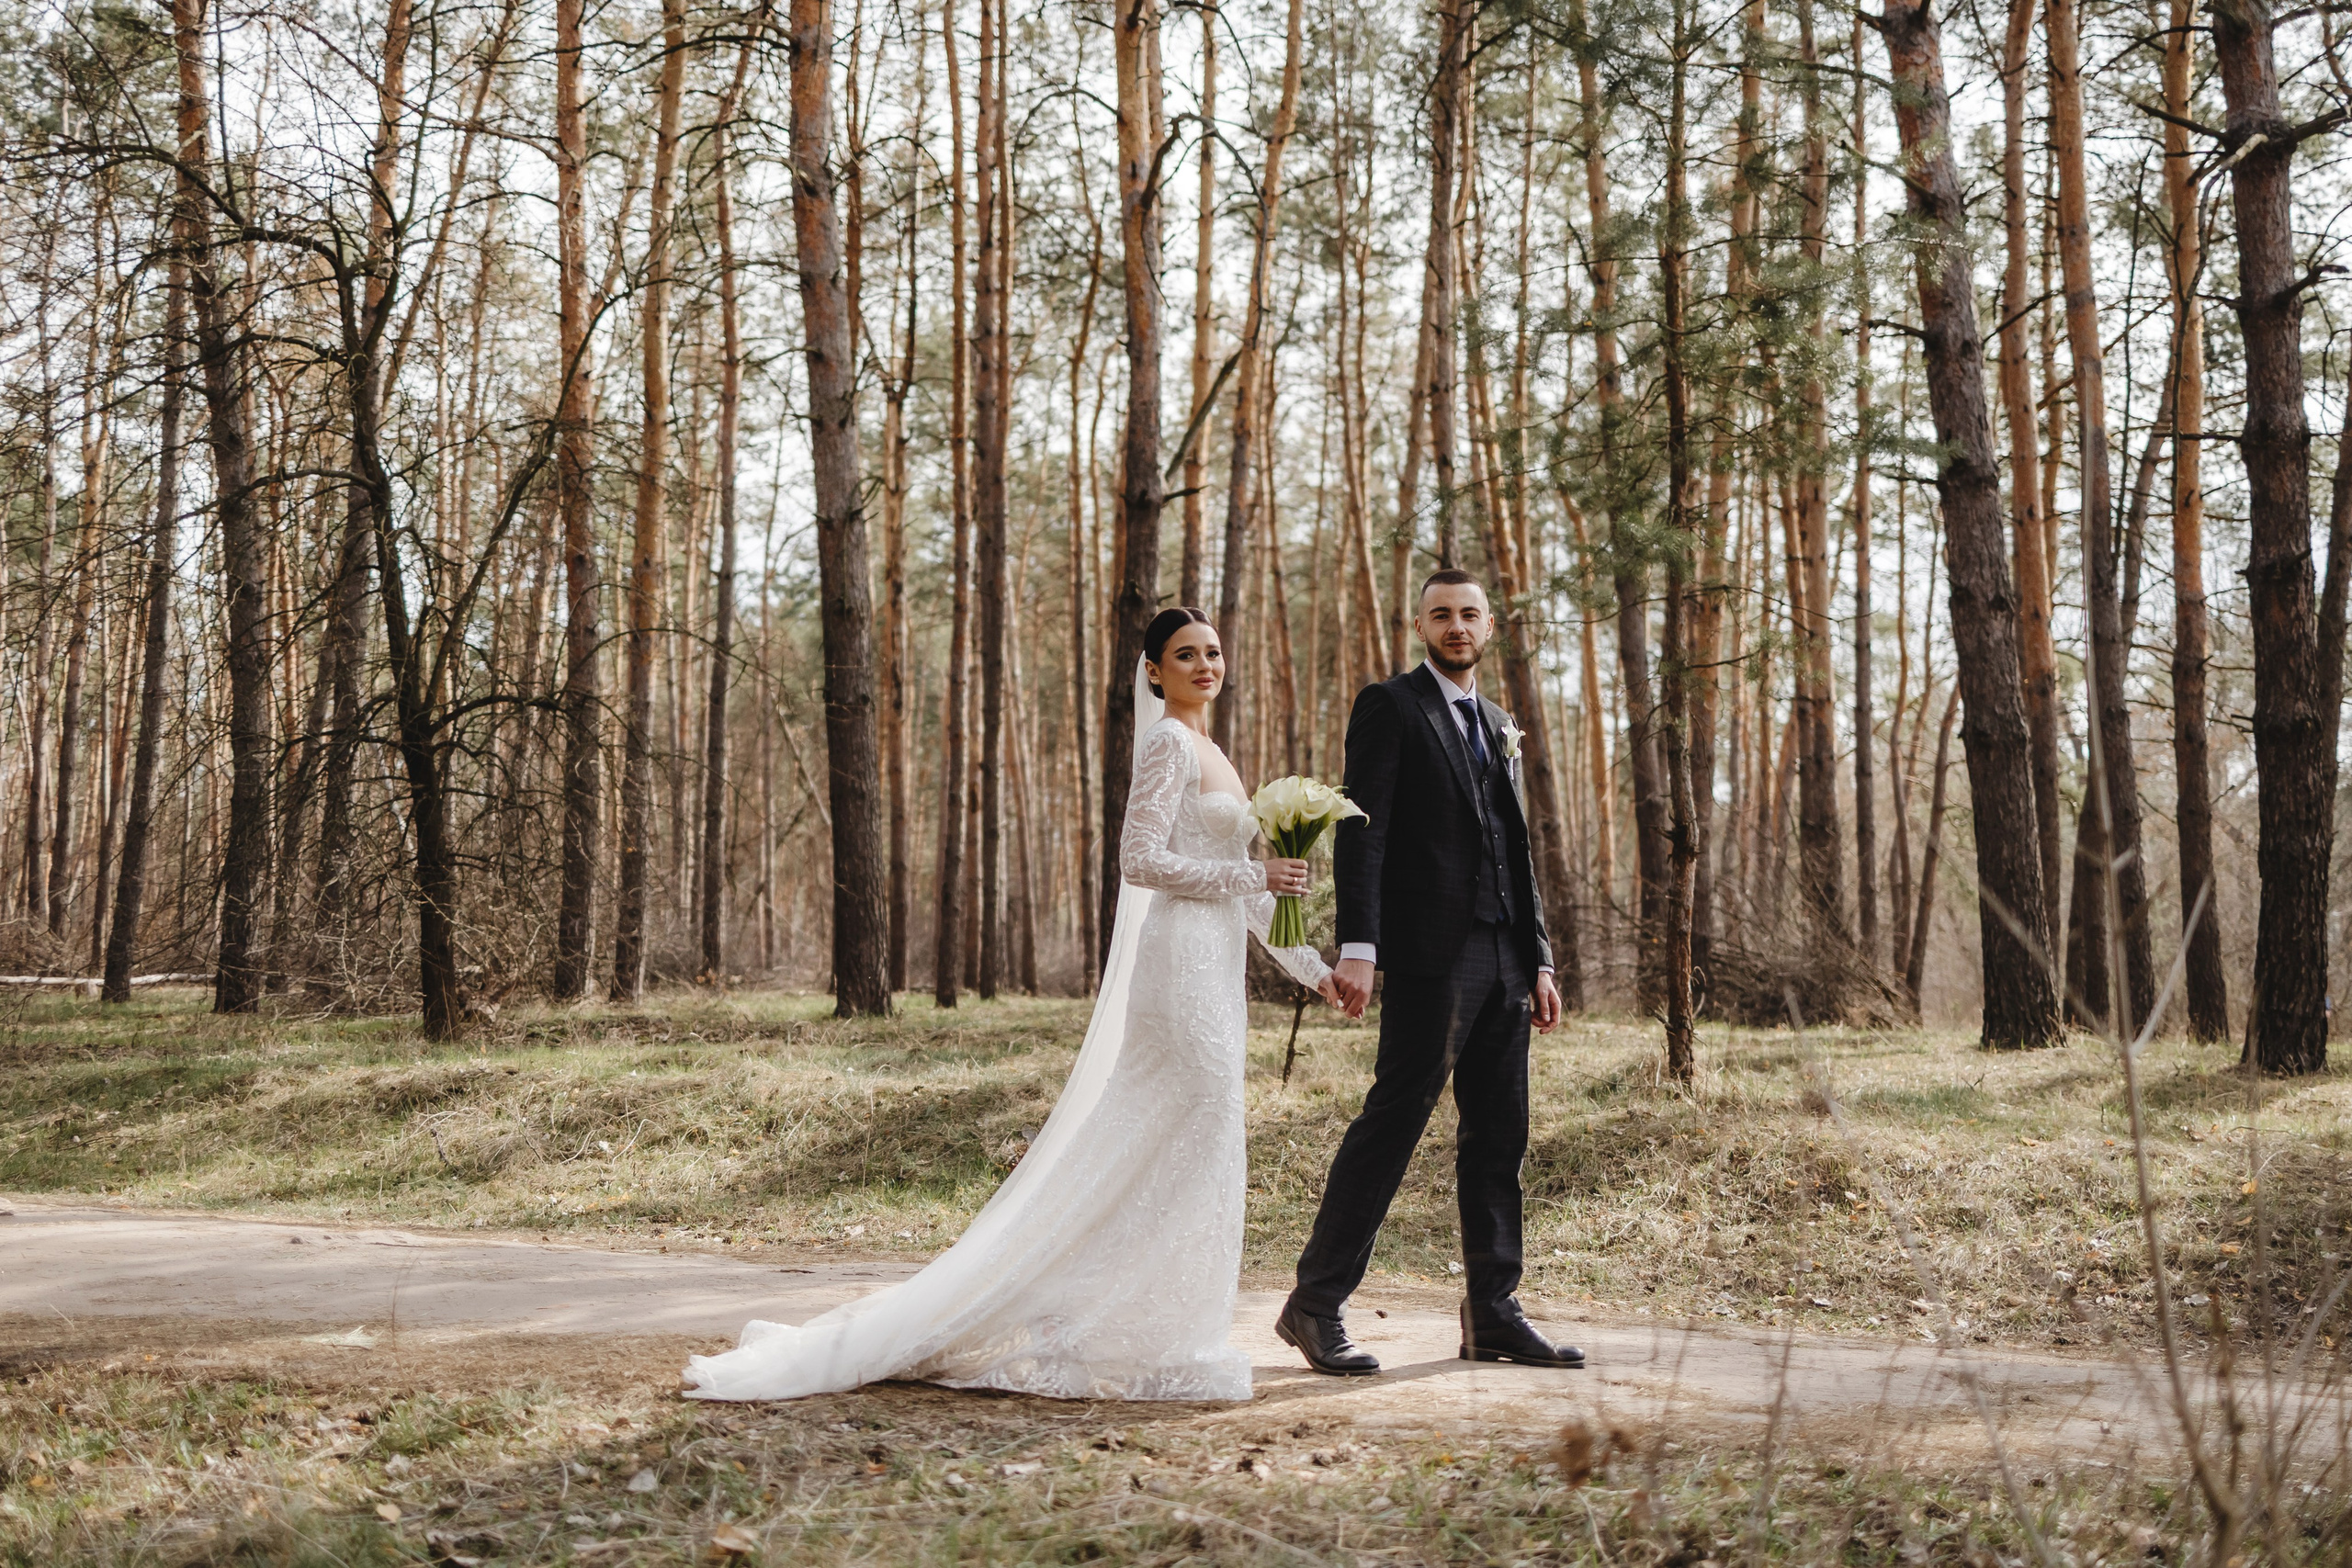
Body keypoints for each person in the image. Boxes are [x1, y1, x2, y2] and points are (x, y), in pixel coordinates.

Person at [683, 608, 1339, 1402]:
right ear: (1153, 670)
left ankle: (1133, 1322)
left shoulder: (1217, 752)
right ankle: (1092, 1319)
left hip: (1218, 972)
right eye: (1184, 655)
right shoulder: (1168, 742)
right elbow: (1139, 861)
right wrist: (1252, 874)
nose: (1205, 665)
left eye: (1213, 652)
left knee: (1186, 1142)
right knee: (1187, 1132)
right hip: (1177, 970)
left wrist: (1315, 969)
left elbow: (1249, 893)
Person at [1274, 569, 1584, 1375]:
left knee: (1499, 1136)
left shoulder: (1499, 722)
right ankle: (1315, 1303)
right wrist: (1360, 946)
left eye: (1469, 613)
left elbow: (1517, 849)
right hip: (1430, 956)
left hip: (1506, 956)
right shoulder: (1392, 705)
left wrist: (1540, 956)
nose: (1456, 625)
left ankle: (1493, 1312)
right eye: (1441, 614)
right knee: (1393, 1124)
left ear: (1489, 625)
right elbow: (1362, 831)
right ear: (1420, 626)